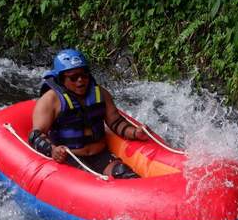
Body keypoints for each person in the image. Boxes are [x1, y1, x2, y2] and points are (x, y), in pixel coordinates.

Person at [29, 49, 149, 179]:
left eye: (84, 75)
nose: (80, 80)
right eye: (73, 77)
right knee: (89, 182)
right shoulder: (50, 100)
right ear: (61, 79)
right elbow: (35, 135)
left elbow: (116, 122)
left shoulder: (101, 94)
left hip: (100, 155)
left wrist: (135, 133)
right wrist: (52, 150)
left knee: (125, 173)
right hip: (70, 158)